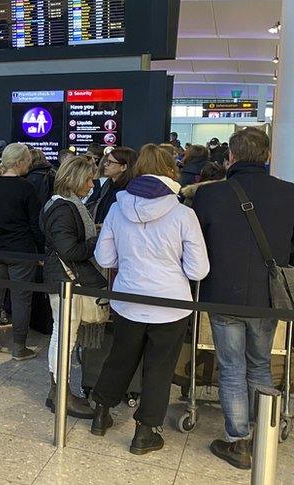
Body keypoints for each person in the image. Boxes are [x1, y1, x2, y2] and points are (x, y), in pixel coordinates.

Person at [90, 144, 209, 454]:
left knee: (121, 357)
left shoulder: (117, 208)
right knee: (159, 367)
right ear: (171, 171)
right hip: (171, 303)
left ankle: (101, 414)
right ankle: (144, 434)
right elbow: (199, 269)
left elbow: (104, 256)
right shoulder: (183, 214)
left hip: (128, 298)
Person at [192, 128, 294, 469]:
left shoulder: (209, 196)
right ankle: (262, 433)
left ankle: (238, 441)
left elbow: (198, 246)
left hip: (222, 294)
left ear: (230, 157)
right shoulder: (289, 194)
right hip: (267, 296)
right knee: (261, 363)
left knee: (232, 367)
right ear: (267, 157)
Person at [40, 156, 102, 419]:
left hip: (62, 277)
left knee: (64, 335)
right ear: (75, 179)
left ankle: (59, 390)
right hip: (66, 278)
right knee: (65, 336)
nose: (91, 185)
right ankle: (60, 393)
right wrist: (96, 242)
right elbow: (70, 249)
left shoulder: (64, 205)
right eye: (88, 179)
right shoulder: (64, 209)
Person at [0, 143, 43, 360]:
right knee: (21, 299)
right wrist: (40, 251)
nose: (30, 163)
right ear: (19, 162)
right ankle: (18, 347)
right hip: (21, 252)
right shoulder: (26, 188)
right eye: (28, 160)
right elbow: (35, 225)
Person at [85, 147, 137, 224]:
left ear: (123, 167)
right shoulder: (107, 185)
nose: (105, 164)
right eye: (106, 161)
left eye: (110, 162)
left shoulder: (130, 191)